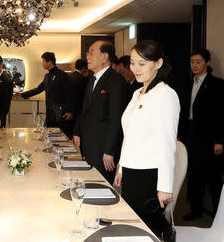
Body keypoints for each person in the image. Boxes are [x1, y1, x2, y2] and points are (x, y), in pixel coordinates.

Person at [114, 39, 179, 240]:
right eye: (133, 63)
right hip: (133, 172)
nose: (135, 69)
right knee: (134, 227)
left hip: (150, 175)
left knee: (147, 229)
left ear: (158, 63)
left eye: (142, 64)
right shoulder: (137, 93)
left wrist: (165, 187)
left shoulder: (165, 95)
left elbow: (168, 144)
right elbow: (130, 135)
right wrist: (122, 167)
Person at [179, 49, 224, 220]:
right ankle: (195, 210)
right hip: (190, 135)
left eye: (198, 62)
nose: (194, 65)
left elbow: (221, 115)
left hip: (210, 138)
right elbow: (183, 112)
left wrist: (220, 140)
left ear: (208, 63)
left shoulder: (218, 84)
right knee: (193, 175)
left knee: (213, 178)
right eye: (192, 62)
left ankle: (219, 214)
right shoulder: (188, 83)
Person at [73, 41, 127, 184]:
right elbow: (84, 109)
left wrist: (110, 150)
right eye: (87, 53)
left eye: (91, 53)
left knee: (101, 187)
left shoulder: (115, 81)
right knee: (89, 184)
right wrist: (77, 132)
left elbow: (116, 118)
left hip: (103, 149)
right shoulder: (92, 79)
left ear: (104, 57)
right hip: (89, 145)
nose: (87, 57)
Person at [13, 52, 73, 137]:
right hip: (50, 112)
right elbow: (39, 89)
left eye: (44, 61)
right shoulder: (47, 76)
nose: (42, 63)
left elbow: (69, 93)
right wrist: (22, 94)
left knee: (62, 137)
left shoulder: (62, 75)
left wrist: (70, 111)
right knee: (49, 136)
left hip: (61, 112)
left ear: (50, 62)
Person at [68, 59, 88, 128]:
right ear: (84, 68)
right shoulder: (82, 79)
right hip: (78, 110)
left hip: (69, 109)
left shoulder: (69, 76)